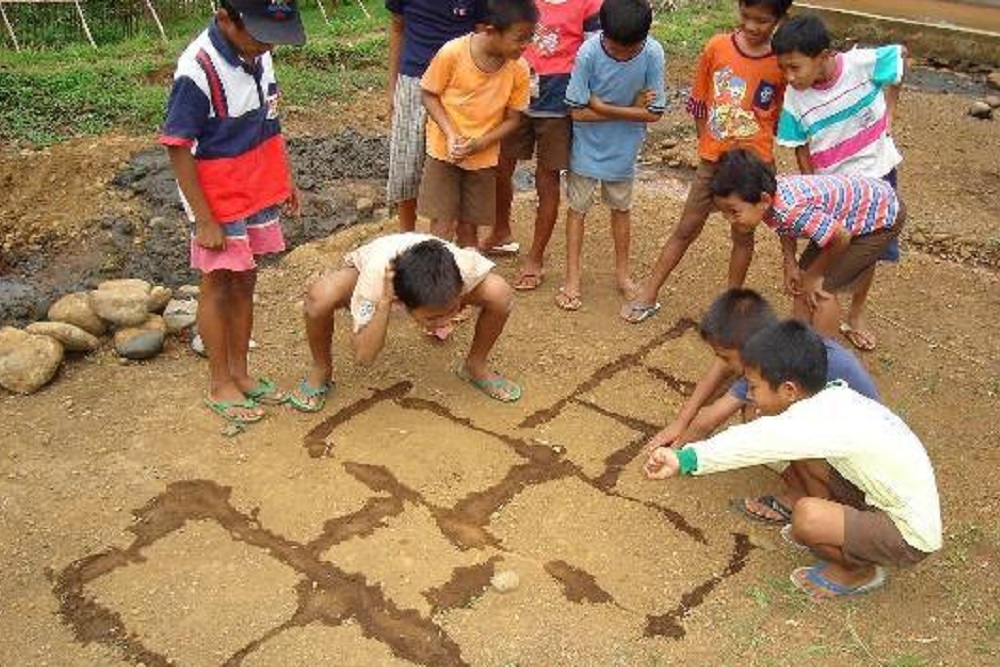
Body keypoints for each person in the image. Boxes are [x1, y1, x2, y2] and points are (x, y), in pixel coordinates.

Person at [645, 320, 941, 600]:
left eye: (754, 387)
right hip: (878, 495)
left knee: (807, 517)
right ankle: (840, 528)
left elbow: (752, 442)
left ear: (789, 390)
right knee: (809, 462)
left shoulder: (814, 421)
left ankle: (860, 572)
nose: (749, 394)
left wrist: (684, 459)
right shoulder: (829, 400)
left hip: (909, 533)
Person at [159, 0, 305, 423]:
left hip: (256, 184)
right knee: (217, 284)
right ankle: (219, 380)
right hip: (217, 197)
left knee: (246, 281)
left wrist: (285, 178)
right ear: (225, 19)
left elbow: (271, 120)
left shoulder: (261, 53)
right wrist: (204, 218)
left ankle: (240, 372)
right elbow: (178, 147)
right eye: (259, 36)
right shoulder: (197, 69)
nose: (267, 46)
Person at [620, 0, 791, 323]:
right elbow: (699, 102)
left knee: (743, 233)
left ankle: (730, 305)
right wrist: (707, 146)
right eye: (747, 16)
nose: (753, 26)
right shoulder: (717, 47)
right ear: (738, 8)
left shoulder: (781, 61)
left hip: (755, 166)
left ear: (780, 19)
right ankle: (649, 293)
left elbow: (780, 112)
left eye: (763, 21)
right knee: (686, 227)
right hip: (713, 162)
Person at [646, 288, 879, 524]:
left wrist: (679, 454)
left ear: (748, 349)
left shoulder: (774, 367)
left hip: (860, 470)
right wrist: (681, 421)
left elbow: (708, 421)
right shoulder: (782, 344)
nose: (723, 363)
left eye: (726, 357)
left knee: (774, 424)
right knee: (757, 407)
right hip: (856, 440)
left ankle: (820, 510)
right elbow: (719, 373)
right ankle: (819, 499)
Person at [772, 13, 906, 351]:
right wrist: (813, 187)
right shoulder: (793, 98)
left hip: (878, 174)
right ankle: (809, 335)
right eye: (783, 68)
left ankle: (854, 315)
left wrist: (890, 111)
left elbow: (900, 55)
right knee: (820, 266)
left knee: (867, 252)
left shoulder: (860, 64)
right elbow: (801, 152)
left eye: (795, 67)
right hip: (833, 188)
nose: (789, 76)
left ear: (826, 56)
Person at [288, 234, 521, 410]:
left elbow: (498, 294)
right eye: (432, 317)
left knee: (500, 293)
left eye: (451, 310)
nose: (444, 322)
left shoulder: (465, 268)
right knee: (319, 298)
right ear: (405, 304)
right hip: (375, 266)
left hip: (430, 271)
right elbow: (363, 356)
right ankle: (321, 369)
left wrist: (448, 309)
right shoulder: (376, 280)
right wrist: (385, 301)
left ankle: (475, 365)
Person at [710, 148, 904, 341]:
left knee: (822, 289)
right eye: (724, 212)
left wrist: (815, 275)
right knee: (803, 279)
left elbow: (841, 238)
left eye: (734, 212)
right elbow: (783, 227)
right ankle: (799, 345)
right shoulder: (772, 199)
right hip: (846, 216)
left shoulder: (791, 209)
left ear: (763, 200)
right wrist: (790, 262)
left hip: (880, 218)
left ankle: (825, 357)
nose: (729, 219)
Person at [485, 0, 603, 291]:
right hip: (516, 96)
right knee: (501, 165)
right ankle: (501, 230)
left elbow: (593, 55)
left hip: (559, 104)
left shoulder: (590, 4)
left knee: (546, 177)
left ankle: (536, 256)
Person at [556, 0, 665, 311]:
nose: (621, 55)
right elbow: (577, 114)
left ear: (644, 38)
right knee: (577, 209)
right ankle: (572, 277)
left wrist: (601, 106)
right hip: (585, 148)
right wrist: (633, 108)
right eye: (615, 48)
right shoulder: (589, 52)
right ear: (602, 32)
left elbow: (655, 114)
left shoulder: (653, 53)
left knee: (621, 209)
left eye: (630, 51)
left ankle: (622, 275)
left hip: (623, 151)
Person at [417, 0, 536, 249]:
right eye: (519, 38)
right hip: (443, 152)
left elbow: (514, 119)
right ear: (491, 30)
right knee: (441, 224)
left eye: (530, 37)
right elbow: (429, 93)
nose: (526, 45)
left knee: (470, 228)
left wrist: (481, 143)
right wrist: (450, 134)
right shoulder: (453, 52)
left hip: (483, 157)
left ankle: (467, 281)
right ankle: (434, 281)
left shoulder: (519, 69)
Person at [386, 0, 488, 233]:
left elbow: (483, 35)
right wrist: (392, 87)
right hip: (414, 80)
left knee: (455, 161)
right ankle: (406, 236)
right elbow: (397, 27)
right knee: (407, 163)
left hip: (459, 86)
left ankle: (453, 244)